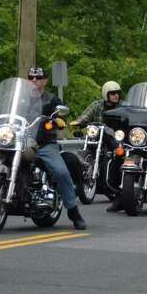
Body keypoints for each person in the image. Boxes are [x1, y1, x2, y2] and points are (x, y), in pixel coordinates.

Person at [20, 66, 87, 230]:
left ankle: (73, 211)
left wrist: (59, 118)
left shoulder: (51, 99)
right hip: (20, 143)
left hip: (44, 144)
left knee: (61, 172)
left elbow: (62, 112)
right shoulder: (20, 100)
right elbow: (8, 111)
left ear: (45, 81)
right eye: (31, 77)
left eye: (38, 77)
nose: (34, 80)